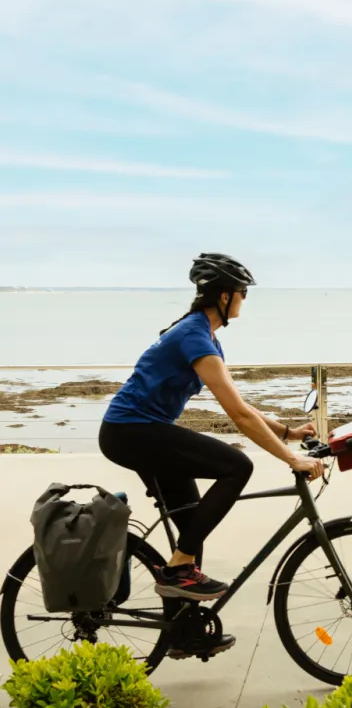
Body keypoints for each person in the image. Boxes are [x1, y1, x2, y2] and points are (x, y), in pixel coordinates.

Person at [99, 254, 323, 654]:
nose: (244, 300)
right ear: (224, 296)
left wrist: (287, 432)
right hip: (131, 432)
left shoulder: (202, 334)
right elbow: (237, 414)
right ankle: (178, 569)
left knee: (191, 518)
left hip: (139, 431)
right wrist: (292, 459)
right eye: (242, 293)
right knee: (237, 466)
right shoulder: (194, 337)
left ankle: (181, 633)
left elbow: (242, 404)